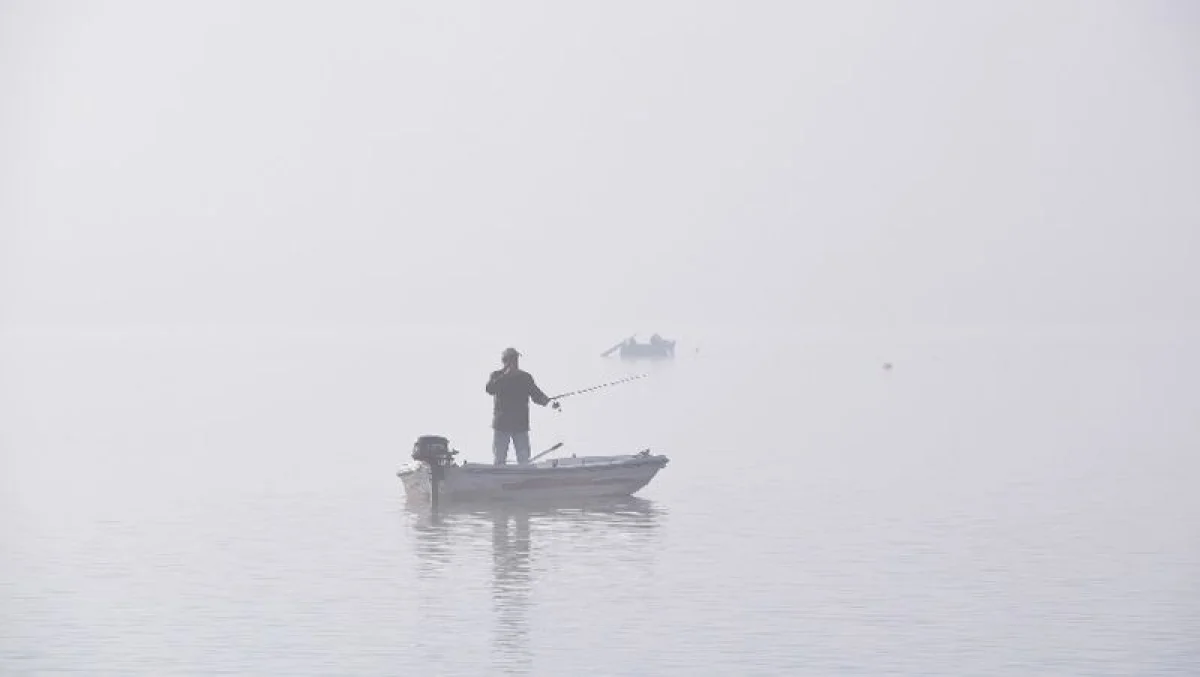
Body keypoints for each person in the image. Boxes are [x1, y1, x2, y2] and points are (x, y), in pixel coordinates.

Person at [485, 347, 558, 465]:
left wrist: (548, 402)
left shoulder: (525, 377)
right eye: (512, 359)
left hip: (520, 425)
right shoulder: (496, 375)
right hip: (502, 425)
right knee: (499, 458)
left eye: (516, 359)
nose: (515, 362)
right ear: (504, 361)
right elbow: (490, 389)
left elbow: (536, 394)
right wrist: (505, 376)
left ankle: (523, 478)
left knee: (524, 459)